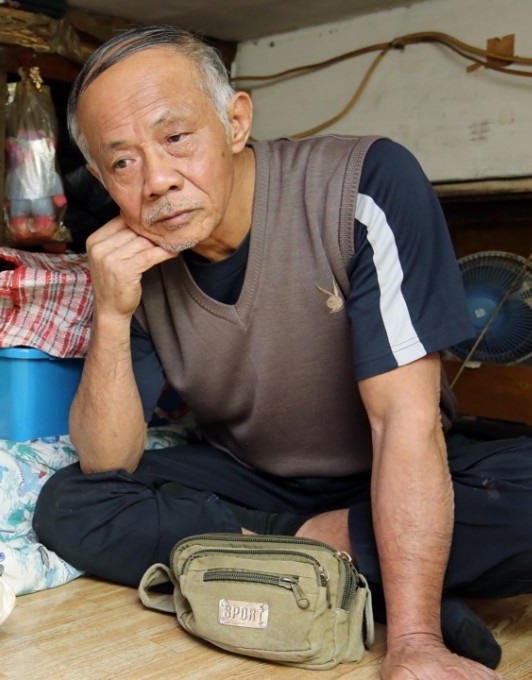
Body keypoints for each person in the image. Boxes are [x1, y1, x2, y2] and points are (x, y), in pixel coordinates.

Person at [32, 24, 532, 680]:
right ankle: (338, 560)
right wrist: (110, 310)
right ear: (101, 177)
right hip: (252, 476)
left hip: (393, 462)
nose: (156, 181)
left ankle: (325, 567)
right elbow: (108, 462)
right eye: (122, 162)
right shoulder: (137, 261)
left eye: (176, 137)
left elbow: (404, 423)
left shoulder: (363, 185)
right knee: (70, 504)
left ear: (236, 122)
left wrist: (415, 642)